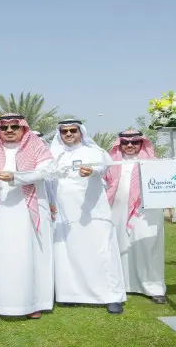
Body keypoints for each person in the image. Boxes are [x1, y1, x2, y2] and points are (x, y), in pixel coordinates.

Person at [0, 114, 55, 319]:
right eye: (4, 128)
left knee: (27, 254)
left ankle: (32, 304)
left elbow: (47, 170)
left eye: (15, 126)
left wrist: (17, 177)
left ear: (23, 129)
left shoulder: (36, 146)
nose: (9, 131)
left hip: (27, 210)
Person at [49, 120, 126, 314]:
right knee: (68, 252)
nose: (68, 134)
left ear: (81, 132)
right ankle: (71, 295)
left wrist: (92, 171)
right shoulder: (53, 155)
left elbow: (103, 167)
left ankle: (111, 296)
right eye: (64, 131)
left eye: (72, 130)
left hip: (93, 213)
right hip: (65, 213)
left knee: (102, 251)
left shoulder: (94, 151)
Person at [105, 130, 167, 303]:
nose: (130, 145)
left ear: (142, 144)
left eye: (135, 142)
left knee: (147, 246)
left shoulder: (154, 164)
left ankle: (153, 288)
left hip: (146, 213)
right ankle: (121, 285)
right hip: (117, 212)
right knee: (120, 247)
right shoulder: (112, 164)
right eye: (125, 142)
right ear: (120, 144)